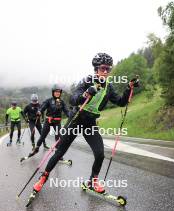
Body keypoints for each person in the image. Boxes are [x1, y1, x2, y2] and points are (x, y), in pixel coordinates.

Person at [31, 53, 139, 195]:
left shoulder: (109, 87)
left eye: (108, 69)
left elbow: (121, 102)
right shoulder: (87, 81)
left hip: (90, 122)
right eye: (103, 68)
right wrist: (86, 94)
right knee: (60, 152)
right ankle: (43, 178)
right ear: (96, 69)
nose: (106, 72)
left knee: (100, 153)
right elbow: (73, 99)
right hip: (76, 119)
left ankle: (92, 181)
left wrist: (129, 88)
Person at [33, 85, 70, 155]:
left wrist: (70, 115)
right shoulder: (49, 100)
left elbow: (66, 111)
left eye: (59, 92)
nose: (57, 93)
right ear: (53, 93)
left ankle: (58, 154)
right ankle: (36, 148)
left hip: (57, 122)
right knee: (42, 136)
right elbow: (42, 107)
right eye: (56, 92)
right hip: (48, 121)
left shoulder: (62, 102)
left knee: (58, 138)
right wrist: (39, 111)